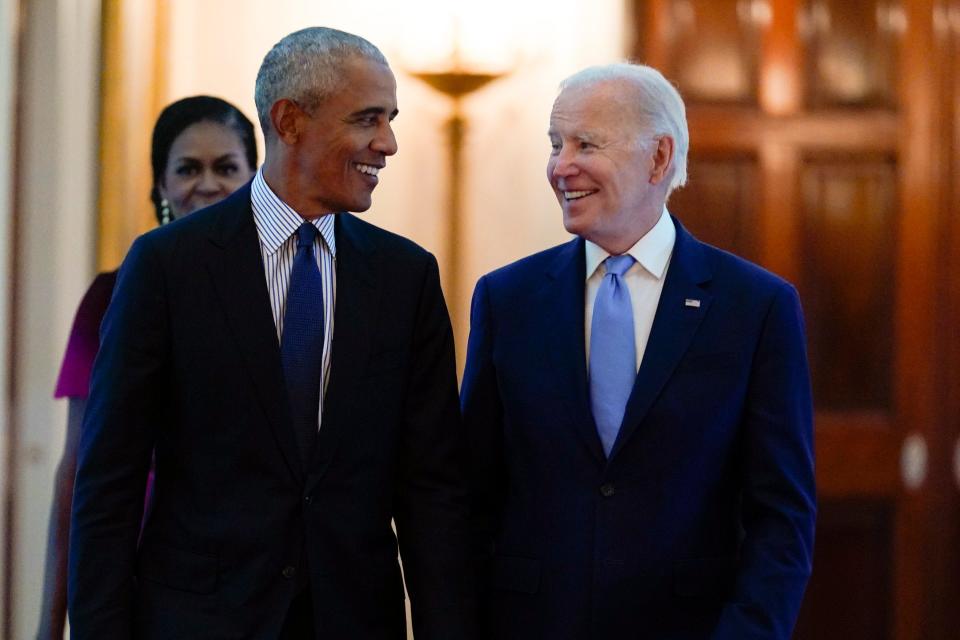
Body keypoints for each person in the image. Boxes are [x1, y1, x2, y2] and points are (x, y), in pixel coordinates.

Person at [68, 27, 475, 640]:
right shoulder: (165, 267)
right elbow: (110, 478)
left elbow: (431, 490)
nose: (387, 143)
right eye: (368, 119)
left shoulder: (405, 276)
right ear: (289, 121)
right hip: (198, 621)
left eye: (389, 120)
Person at [461, 63, 815, 639]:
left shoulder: (755, 307)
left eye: (585, 144)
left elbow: (782, 516)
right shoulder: (507, 299)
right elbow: (472, 496)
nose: (560, 166)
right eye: (555, 144)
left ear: (658, 157)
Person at [37, 95, 257, 640]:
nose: (207, 184)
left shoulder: (280, 296)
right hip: (135, 569)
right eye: (188, 169)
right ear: (160, 185)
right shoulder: (111, 297)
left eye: (226, 168)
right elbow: (77, 471)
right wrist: (49, 624)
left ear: (256, 181)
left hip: (254, 575)